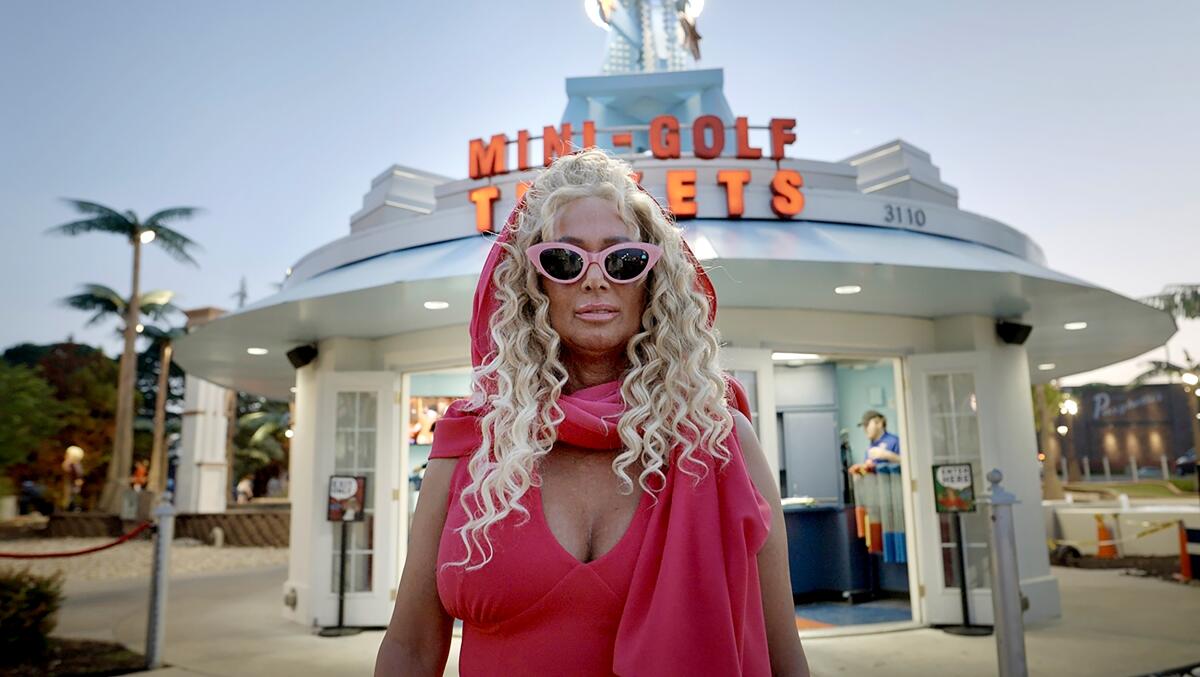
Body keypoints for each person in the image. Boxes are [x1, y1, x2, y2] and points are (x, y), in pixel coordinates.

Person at [375, 149, 808, 676]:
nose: (596, 280)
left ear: (654, 281)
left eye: (623, 260)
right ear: (532, 283)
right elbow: (410, 649)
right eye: (565, 259)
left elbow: (784, 656)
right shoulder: (471, 440)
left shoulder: (721, 442)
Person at [849, 410, 901, 474]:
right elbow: (871, 472)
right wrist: (860, 470)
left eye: (867, 425)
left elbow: (907, 464)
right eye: (864, 426)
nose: (865, 429)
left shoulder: (894, 441)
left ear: (879, 423)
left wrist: (887, 455)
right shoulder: (870, 447)